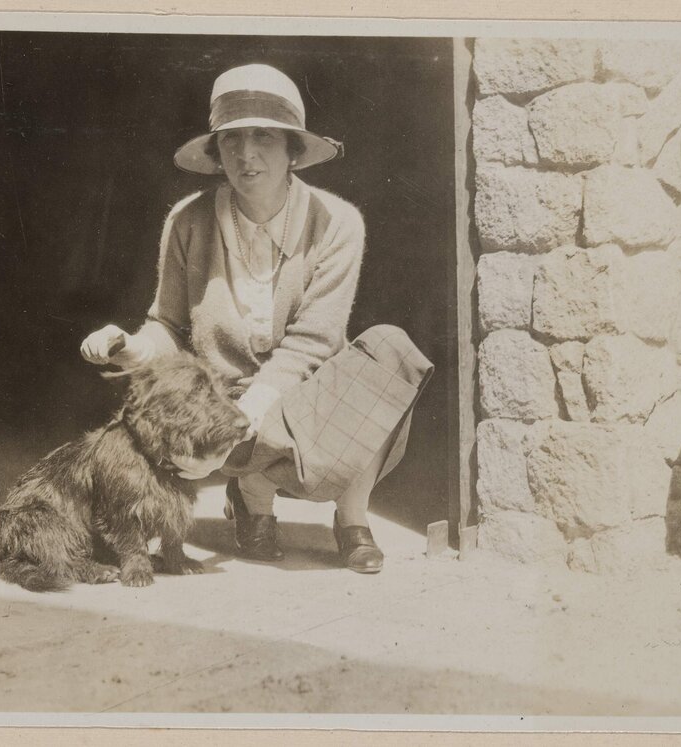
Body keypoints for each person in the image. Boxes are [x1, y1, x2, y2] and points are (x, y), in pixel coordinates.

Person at [80, 64, 433, 574]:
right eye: (232, 140)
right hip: (221, 401)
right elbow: (169, 326)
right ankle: (255, 501)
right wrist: (129, 347)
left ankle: (351, 517)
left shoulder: (336, 223)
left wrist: (252, 417)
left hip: (302, 390)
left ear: (293, 148)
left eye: (264, 137)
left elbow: (314, 342)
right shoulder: (188, 220)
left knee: (390, 350)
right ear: (216, 151)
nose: (246, 155)